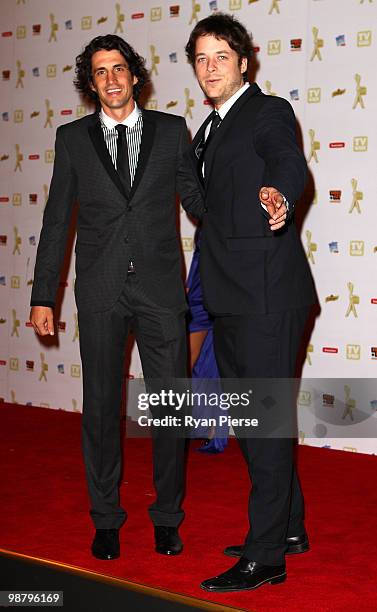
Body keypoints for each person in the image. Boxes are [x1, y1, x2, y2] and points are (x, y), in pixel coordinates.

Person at [30, 34, 203, 561]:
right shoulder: (72, 139)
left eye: (118, 68)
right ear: (91, 82)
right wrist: (43, 296)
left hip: (159, 292)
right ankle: (105, 518)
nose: (110, 79)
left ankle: (167, 518)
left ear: (135, 75)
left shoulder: (173, 132)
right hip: (102, 292)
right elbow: (58, 221)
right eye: (100, 71)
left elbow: (197, 200)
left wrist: (243, 213)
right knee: (102, 410)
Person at [185, 13, 316, 592]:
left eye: (222, 56)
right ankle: (287, 528)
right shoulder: (206, 129)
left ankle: (266, 558)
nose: (211, 67)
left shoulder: (267, 112)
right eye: (201, 58)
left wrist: (279, 193)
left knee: (261, 423)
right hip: (230, 292)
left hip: (266, 292)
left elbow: (286, 160)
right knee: (255, 418)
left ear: (245, 61)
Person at [187, 229, 228, 453]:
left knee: (203, 364)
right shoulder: (206, 214)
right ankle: (202, 426)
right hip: (200, 295)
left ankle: (209, 428)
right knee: (198, 364)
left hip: (210, 296)